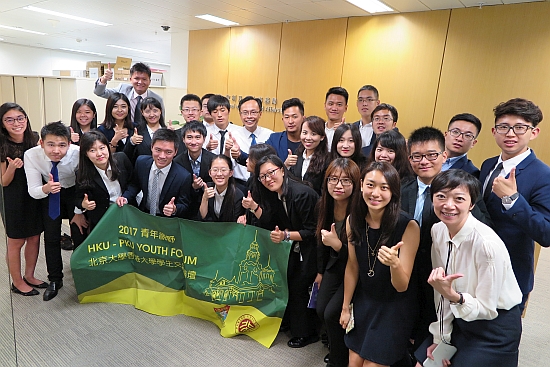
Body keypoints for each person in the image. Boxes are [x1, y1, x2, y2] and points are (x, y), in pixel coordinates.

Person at [400, 126, 491, 356]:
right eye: (417, 156)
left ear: (444, 156)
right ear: (409, 158)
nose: (424, 161)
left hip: (443, 268)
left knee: (432, 318)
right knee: (406, 315)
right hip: (407, 267)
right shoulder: (402, 188)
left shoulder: (462, 189)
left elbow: (483, 225)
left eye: (432, 155)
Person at [419, 169, 522, 367]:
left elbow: (486, 308)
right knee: (425, 362)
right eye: (441, 197)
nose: (449, 205)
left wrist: (454, 296)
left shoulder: (486, 244)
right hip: (460, 319)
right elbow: (441, 291)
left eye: (459, 199)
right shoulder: (438, 230)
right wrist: (441, 340)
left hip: (494, 327)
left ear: (472, 204)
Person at [340, 161, 420, 367]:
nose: (375, 193)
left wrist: (394, 264)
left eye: (384, 187)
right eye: (370, 185)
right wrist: (346, 307)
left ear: (393, 192)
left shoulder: (407, 225)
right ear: (361, 185)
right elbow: (352, 266)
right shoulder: (353, 220)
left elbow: (402, 286)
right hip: (365, 300)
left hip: (394, 306)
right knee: (354, 363)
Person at [480, 98, 550, 311]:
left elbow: (546, 233)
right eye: (504, 127)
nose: (510, 134)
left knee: (500, 341)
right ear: (494, 131)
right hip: (476, 268)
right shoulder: (488, 164)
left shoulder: (543, 175)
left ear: (534, 132)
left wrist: (512, 199)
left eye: (519, 128)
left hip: (510, 275)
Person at [254, 155, 320, 348]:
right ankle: (293, 325)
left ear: (282, 169)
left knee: (299, 288)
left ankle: (307, 334)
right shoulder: (274, 193)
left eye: (271, 172)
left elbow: (313, 231)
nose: (268, 179)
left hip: (315, 250)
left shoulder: (301, 194)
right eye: (263, 176)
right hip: (294, 248)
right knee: (288, 283)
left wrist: (286, 235)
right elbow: (270, 221)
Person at [24, 121, 88, 301]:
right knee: (51, 237)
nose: (56, 150)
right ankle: (55, 279)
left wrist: (78, 211)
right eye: (50, 144)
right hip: (49, 191)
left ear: (69, 143)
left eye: (62, 145)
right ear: (41, 143)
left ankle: (82, 276)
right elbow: (33, 191)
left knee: (79, 234)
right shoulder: (32, 156)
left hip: (74, 191)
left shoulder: (77, 153)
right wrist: (47, 189)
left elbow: (84, 183)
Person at [316, 158, 361, 367]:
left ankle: (339, 359)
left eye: (345, 181)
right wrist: (320, 271)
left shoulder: (361, 212)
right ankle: (336, 348)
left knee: (332, 312)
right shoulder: (324, 204)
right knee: (321, 308)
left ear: (356, 183)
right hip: (334, 266)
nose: (338, 185)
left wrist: (337, 246)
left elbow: (358, 258)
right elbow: (319, 241)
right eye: (333, 179)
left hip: (354, 270)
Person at [0, 103, 45, 296]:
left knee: (34, 237)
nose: (16, 123)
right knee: (16, 241)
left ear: (26, 119)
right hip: (13, 198)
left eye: (20, 118)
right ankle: (17, 282)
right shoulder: (2, 144)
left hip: (34, 195)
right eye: (9, 120)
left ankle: (30, 275)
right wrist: (12, 168)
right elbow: (3, 181)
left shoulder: (34, 138)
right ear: (2, 124)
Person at [116, 128, 192, 218]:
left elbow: (184, 205)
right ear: (152, 147)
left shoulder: (183, 176)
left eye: (168, 152)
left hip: (166, 219)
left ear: (175, 152)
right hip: (144, 213)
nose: (162, 156)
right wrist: (125, 198)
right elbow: (134, 185)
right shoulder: (141, 162)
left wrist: (174, 209)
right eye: (158, 150)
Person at [75, 131, 133, 233]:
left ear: (108, 147)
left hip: (127, 213)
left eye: (102, 148)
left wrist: (125, 197)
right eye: (92, 150)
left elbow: (133, 183)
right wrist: (84, 205)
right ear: (86, 154)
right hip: (102, 220)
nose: (99, 154)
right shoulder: (82, 173)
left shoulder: (121, 159)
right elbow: (78, 199)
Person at [94, 62, 164, 124]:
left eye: (144, 79)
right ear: (130, 79)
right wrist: (104, 79)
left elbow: (161, 121)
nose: (140, 82)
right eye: (136, 78)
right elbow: (100, 92)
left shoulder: (157, 99)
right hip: (124, 132)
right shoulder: (123, 89)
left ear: (149, 81)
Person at [229, 96, 274, 190]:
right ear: (240, 114)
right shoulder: (232, 136)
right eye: (245, 113)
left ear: (260, 113)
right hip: (238, 185)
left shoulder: (270, 135)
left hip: (263, 185)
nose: (249, 116)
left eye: (253, 112)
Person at [174, 121, 216, 219]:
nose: (193, 142)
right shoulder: (177, 162)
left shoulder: (213, 160)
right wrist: (193, 187)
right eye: (189, 137)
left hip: (209, 208)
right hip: (185, 209)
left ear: (204, 139)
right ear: (183, 139)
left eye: (197, 137)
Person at [286, 116, 329, 195]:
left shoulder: (328, 160)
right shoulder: (297, 153)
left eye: (313, 134)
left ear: (322, 137)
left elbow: (325, 191)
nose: (308, 138)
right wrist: (286, 165)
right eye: (305, 133)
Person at [237, 143, 277, 227]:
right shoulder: (252, 180)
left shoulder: (271, 184)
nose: (246, 160)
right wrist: (245, 216)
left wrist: (254, 207)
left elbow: (271, 221)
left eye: (250, 158)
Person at [199, 155, 245, 222]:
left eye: (223, 170)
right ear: (210, 173)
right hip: (208, 229)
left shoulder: (238, 195)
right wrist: (205, 198)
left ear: (231, 173)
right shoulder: (206, 188)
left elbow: (235, 222)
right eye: (215, 170)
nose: (219, 174)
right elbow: (202, 217)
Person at [123, 97, 166, 163]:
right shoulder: (137, 131)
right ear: (142, 113)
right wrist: (131, 142)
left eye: (155, 111)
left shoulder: (167, 131)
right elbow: (126, 157)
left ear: (160, 111)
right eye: (147, 111)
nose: (151, 115)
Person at [441, 113, 482, 177]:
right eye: (455, 132)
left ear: (473, 143)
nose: (459, 138)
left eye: (468, 135)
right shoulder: (426, 157)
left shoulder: (471, 173)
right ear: (445, 135)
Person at [266, 97, 304, 162]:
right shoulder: (274, 139)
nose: (290, 121)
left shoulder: (309, 140)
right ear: (283, 119)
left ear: (303, 118)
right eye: (287, 117)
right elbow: (260, 157)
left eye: (294, 117)